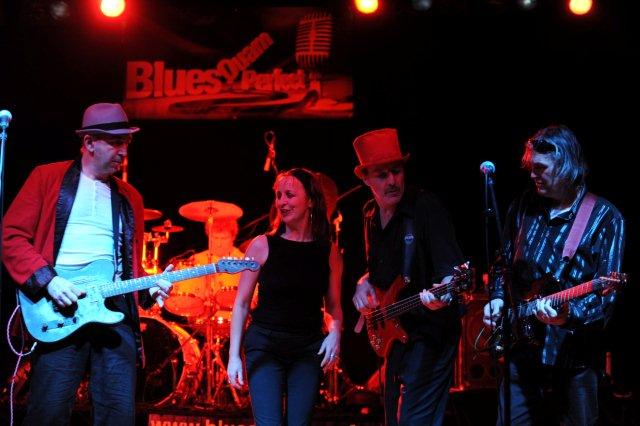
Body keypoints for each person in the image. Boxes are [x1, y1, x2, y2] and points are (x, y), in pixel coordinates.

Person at [2, 102, 173, 425]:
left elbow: (129, 267)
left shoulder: (130, 198)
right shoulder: (47, 177)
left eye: (127, 142)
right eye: (116, 142)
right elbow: (11, 236)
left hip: (113, 309)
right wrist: (49, 280)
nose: (124, 151)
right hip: (60, 308)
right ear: (89, 142)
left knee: (118, 414)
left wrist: (151, 288)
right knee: (48, 411)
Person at [482, 124, 625, 425]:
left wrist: (567, 315)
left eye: (540, 168)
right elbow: (501, 264)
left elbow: (606, 300)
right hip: (521, 354)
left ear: (565, 167)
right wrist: (496, 298)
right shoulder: (522, 207)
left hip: (574, 363)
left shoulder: (605, 217)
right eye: (530, 167)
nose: (532, 175)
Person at [350, 128, 465, 425]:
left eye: (397, 171)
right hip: (396, 333)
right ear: (366, 179)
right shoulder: (369, 215)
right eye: (382, 175)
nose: (392, 181)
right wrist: (362, 283)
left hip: (431, 331)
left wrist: (445, 293)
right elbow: (380, 271)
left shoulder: (425, 208)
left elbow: (451, 272)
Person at [227, 167, 343, 425]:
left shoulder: (329, 251)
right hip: (265, 345)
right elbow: (242, 303)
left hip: (307, 348)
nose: (281, 202)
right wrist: (234, 356)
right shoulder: (262, 245)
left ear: (310, 200)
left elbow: (334, 306)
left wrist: (335, 332)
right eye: (279, 196)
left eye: (289, 195)